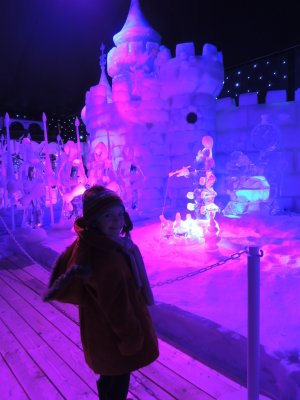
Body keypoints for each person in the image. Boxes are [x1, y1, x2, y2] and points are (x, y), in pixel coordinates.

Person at [44, 185, 159, 400]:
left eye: (119, 214)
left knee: (109, 379)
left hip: (100, 331)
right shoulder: (106, 257)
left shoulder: (98, 244)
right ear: (95, 220)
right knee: (116, 382)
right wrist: (131, 339)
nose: (117, 222)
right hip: (114, 336)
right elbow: (117, 307)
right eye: (108, 216)